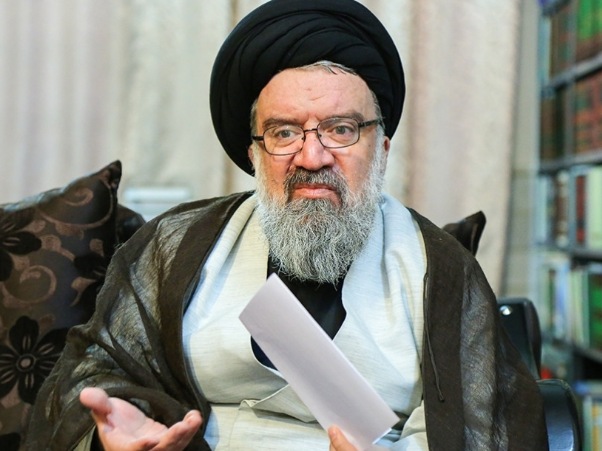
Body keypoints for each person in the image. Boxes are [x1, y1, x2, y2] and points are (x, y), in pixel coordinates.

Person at [25, 0, 547, 450]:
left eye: (341, 129)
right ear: (255, 154)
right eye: (283, 133)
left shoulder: (440, 268)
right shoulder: (174, 245)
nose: (311, 157)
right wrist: (115, 434)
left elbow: (488, 423)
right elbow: (96, 369)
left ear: (382, 149)